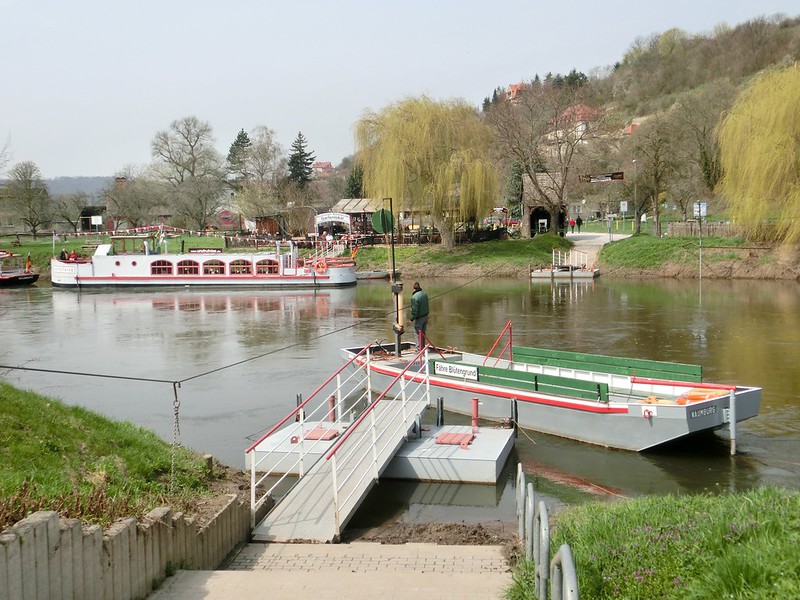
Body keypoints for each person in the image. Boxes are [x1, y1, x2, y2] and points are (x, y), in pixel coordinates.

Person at [409, 281, 429, 350]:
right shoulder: (424, 294)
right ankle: (423, 348)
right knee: (423, 333)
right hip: (425, 316)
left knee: (417, 333)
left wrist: (412, 318)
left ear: (413, 288)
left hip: (419, 318)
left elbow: (415, 310)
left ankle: (418, 349)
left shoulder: (414, 297)